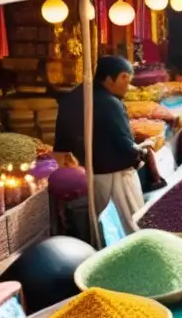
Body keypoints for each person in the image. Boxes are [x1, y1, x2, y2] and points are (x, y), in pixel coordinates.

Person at [53, 56, 151, 231]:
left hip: (91, 176)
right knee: (130, 227)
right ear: (107, 78)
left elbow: (61, 145)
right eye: (123, 78)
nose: (127, 86)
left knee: (103, 227)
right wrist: (142, 151)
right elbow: (125, 146)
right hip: (117, 178)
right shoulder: (110, 102)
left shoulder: (70, 99)